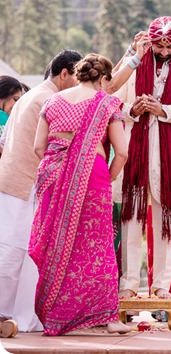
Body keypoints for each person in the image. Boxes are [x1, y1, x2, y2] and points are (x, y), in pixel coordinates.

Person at [28, 53, 130, 336]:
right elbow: (122, 152)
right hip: (92, 175)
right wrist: (106, 177)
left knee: (56, 242)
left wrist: (62, 170)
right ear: (104, 79)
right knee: (97, 245)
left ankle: (52, 314)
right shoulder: (107, 103)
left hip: (52, 172)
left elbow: (39, 147)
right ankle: (108, 317)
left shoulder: (52, 101)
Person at [0, 50, 83, 335]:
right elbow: (51, 148)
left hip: (14, 181)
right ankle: (10, 314)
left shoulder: (30, 96)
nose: (79, 85)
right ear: (64, 74)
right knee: (15, 252)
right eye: (77, 77)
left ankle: (14, 315)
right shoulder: (49, 100)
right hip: (24, 184)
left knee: (18, 252)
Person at [114, 16, 171, 300]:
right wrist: (134, 109)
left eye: (168, 48)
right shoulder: (134, 67)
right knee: (132, 219)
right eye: (158, 46)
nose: (162, 52)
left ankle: (161, 285)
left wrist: (163, 111)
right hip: (135, 151)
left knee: (166, 219)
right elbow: (115, 102)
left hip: (168, 155)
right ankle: (129, 284)